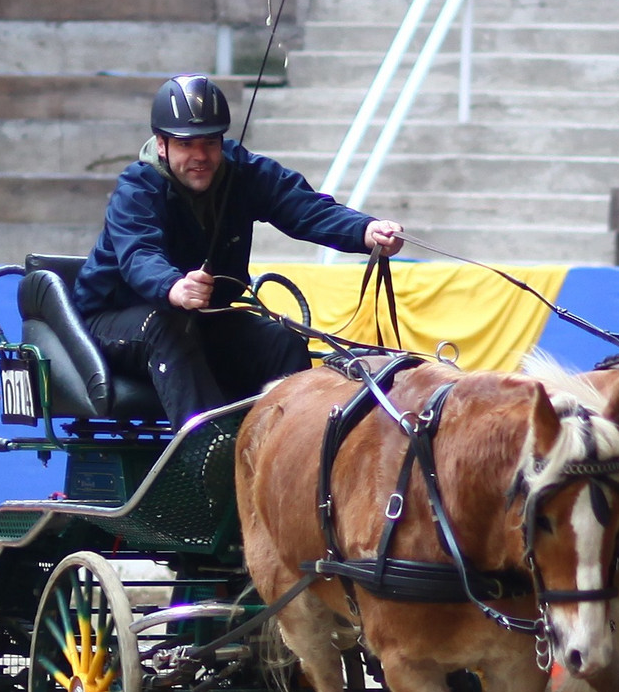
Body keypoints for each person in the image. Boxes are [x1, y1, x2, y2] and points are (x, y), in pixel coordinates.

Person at [72, 73, 405, 427]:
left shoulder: (242, 171)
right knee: (167, 327)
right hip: (115, 319)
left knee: (282, 343)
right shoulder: (136, 188)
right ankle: (210, 453)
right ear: (162, 144)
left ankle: (289, 454)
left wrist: (366, 230)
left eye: (211, 143)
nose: (201, 156)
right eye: (187, 145)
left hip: (199, 318)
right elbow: (139, 253)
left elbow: (303, 206)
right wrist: (173, 286)